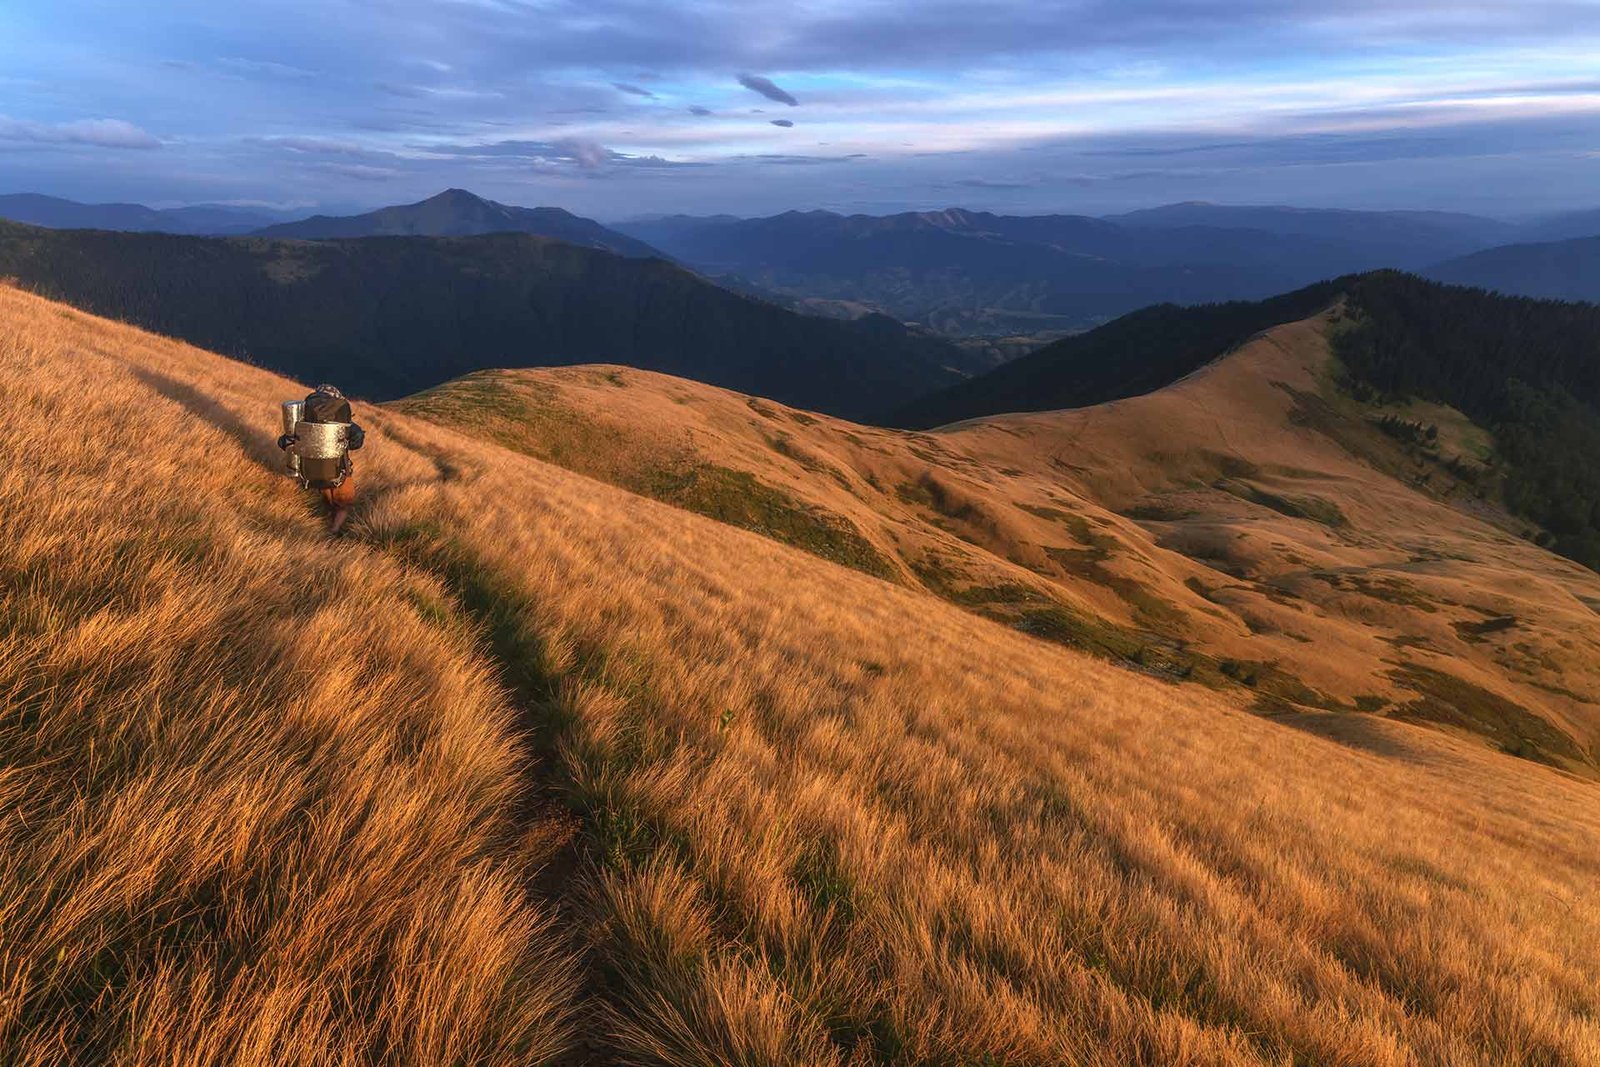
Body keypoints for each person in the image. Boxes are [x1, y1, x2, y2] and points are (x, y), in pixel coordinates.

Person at [278, 384, 366, 535]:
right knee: (344, 504)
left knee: (328, 501)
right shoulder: (345, 422)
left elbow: (283, 442)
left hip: (311, 472)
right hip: (340, 471)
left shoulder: (303, 421)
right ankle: (334, 531)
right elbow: (356, 443)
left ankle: (323, 525)